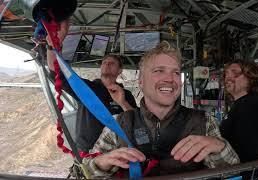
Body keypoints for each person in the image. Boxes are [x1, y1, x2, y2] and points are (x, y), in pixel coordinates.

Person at [82, 41, 239, 178]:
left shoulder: (204, 121)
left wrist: (220, 147)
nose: (170, 79)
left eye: (176, 72)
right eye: (159, 71)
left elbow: (232, 172)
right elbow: (86, 171)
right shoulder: (117, 124)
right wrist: (100, 163)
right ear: (141, 82)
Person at [46, 20, 137, 153]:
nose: (107, 64)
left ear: (119, 71)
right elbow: (56, 72)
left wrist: (122, 102)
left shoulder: (126, 94)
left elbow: (136, 121)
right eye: (104, 62)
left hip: (116, 152)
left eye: (112, 63)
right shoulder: (85, 88)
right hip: (87, 153)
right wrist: (52, 44)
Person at [220, 59, 258, 179]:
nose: (227, 78)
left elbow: (245, 151)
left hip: (243, 175)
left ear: (251, 77)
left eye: (234, 72)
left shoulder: (254, 105)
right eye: (226, 74)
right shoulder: (242, 104)